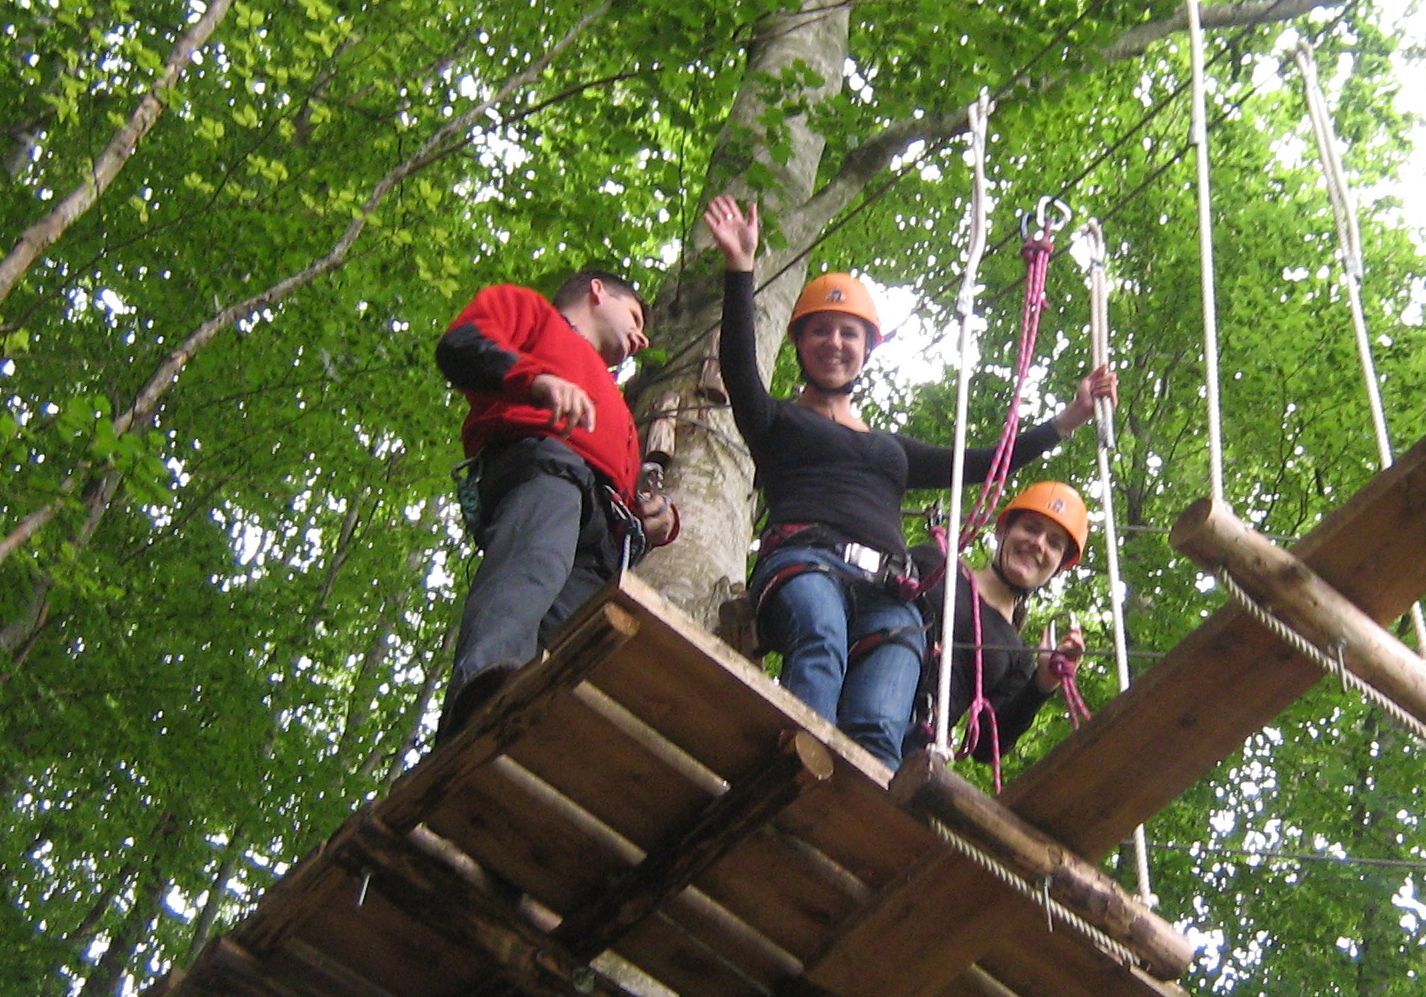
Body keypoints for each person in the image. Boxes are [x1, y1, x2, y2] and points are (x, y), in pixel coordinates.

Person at [705, 194, 1114, 764]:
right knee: (820, 643)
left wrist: (1066, 421)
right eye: (820, 331)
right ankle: (796, 768)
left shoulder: (890, 449)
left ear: (868, 349)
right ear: (799, 343)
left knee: (880, 718)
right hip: (806, 560)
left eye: (849, 334)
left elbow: (981, 462)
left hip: (888, 590)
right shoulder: (777, 421)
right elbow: (739, 368)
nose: (835, 344)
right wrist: (740, 269)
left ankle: (863, 808)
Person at [435, 268, 677, 738]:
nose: (642, 338)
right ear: (597, 292)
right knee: (533, 565)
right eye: (634, 317)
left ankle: (530, 734)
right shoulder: (532, 313)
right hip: (547, 468)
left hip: (602, 535)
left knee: (569, 637)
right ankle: (484, 683)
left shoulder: (613, 402)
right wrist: (535, 380)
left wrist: (657, 520)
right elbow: (462, 345)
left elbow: (625, 487)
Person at [908, 481, 1093, 767]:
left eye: (1054, 543)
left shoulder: (1018, 656)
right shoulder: (934, 564)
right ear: (1002, 530)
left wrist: (1042, 684)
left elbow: (986, 748)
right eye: (1031, 528)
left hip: (912, 749)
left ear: (1057, 569)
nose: (1038, 543)